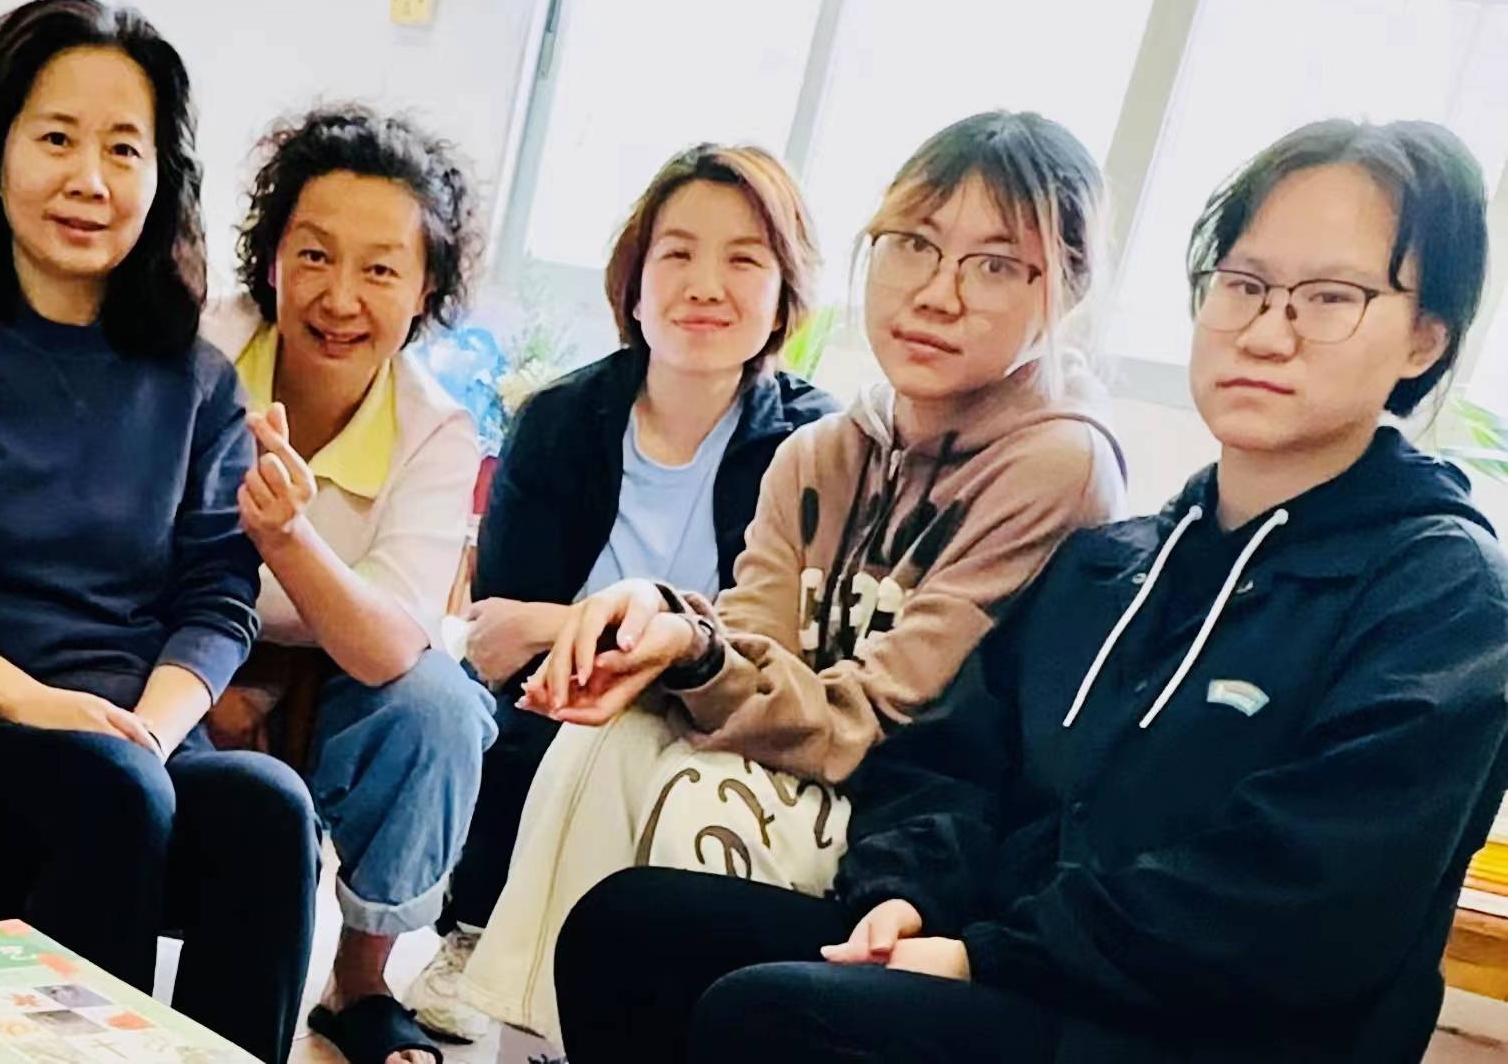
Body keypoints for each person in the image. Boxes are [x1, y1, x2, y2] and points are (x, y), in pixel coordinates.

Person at [558, 119, 1508, 1064]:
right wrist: (909, 894)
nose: (1266, 332)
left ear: (1424, 339)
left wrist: (984, 956)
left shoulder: (1443, 598)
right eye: (1244, 285)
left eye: (1330, 298)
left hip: (1204, 1030)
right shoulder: (1117, 565)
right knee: (634, 931)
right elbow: (955, 765)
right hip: (1029, 970)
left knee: (777, 1020)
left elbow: (1303, 902)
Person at [458, 112, 1128, 1042]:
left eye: (995, 265)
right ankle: (535, 1043)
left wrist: (696, 653)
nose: (937, 294)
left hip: (915, 835)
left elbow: (879, 723)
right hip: (801, 762)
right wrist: (673, 633)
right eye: (913, 244)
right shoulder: (819, 452)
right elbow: (748, 652)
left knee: (704, 795)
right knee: (602, 738)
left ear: (1067, 288)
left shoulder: (1058, 465)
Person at [0, 0, 318, 1063]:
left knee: (270, 807)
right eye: (56, 138)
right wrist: (35, 704)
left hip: (140, 743)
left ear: (160, 177)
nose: (90, 178)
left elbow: (218, 594)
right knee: (113, 792)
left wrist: (151, 725)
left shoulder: (197, 380)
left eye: (122, 148)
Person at [407, 144, 835, 1042]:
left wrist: (581, 625)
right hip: (564, 698)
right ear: (633, 283)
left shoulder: (812, 446)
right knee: (540, 720)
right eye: (676, 253)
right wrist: (573, 639)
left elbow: (777, 648)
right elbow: (497, 634)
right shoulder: (560, 422)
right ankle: (475, 930)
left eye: (743, 259)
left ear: (783, 295)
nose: (704, 286)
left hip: (719, 708)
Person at [199, 104, 493, 1064]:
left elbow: (389, 644)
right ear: (271, 260)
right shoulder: (199, 353)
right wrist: (211, 679)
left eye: (379, 270)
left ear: (425, 287)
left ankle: (360, 980)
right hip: (176, 647)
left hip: (338, 670)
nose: (339, 298)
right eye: (314, 256)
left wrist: (286, 539)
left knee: (441, 707)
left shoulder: (435, 430)